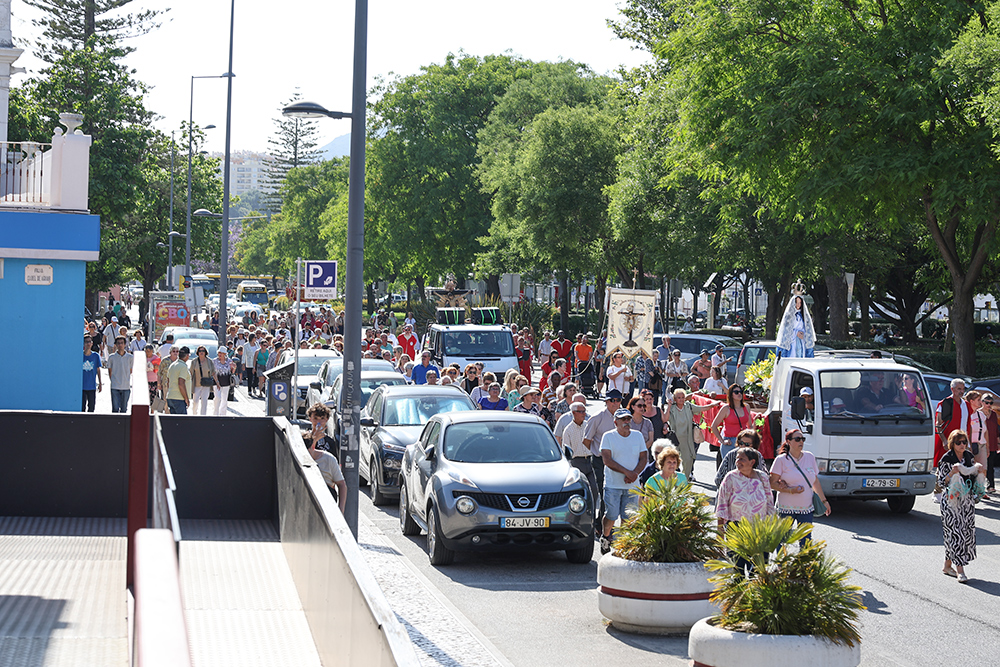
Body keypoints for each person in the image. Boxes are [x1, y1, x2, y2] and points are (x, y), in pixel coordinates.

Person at [599, 407, 648, 554]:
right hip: (613, 484)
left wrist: (635, 474)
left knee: (628, 518)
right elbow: (607, 460)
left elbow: (643, 457)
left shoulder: (637, 436)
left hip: (631, 485)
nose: (627, 422)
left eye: (628, 419)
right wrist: (628, 472)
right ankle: (606, 537)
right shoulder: (608, 436)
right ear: (615, 422)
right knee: (612, 515)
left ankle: (624, 545)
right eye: (623, 419)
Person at [770, 428, 830, 544]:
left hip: (806, 508)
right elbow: (772, 483)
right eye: (797, 439)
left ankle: (804, 562)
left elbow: (815, 481)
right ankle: (781, 562)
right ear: (788, 441)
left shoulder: (809, 457)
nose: (801, 442)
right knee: (782, 539)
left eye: (803, 439)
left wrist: (824, 501)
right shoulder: (781, 460)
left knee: (806, 540)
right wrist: (790, 490)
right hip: (786, 508)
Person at [938, 430, 983, 583]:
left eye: (964, 441)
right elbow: (940, 483)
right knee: (956, 533)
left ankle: (947, 565)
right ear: (953, 444)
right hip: (951, 502)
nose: (962, 445)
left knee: (964, 532)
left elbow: (974, 477)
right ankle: (960, 570)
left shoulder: (969, 457)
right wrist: (951, 473)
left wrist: (979, 471)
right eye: (959, 442)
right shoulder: (947, 459)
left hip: (967, 500)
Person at [716, 447, 775, 545]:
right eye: (737, 458)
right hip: (736, 527)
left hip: (759, 527)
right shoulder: (731, 477)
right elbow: (722, 503)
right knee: (738, 559)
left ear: (752, 462)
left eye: (742, 459)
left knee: (758, 559)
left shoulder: (762, 477)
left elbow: (769, 502)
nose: (738, 461)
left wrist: (772, 525)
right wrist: (720, 530)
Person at [666, 388, 722, 481]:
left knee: (688, 461)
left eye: (683, 397)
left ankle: (684, 481)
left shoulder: (688, 406)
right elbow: (665, 417)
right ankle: (672, 482)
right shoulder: (671, 408)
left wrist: (713, 405)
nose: (681, 399)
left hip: (687, 440)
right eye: (678, 397)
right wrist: (669, 405)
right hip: (674, 440)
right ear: (675, 399)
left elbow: (702, 409)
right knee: (672, 463)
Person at [304, 404, 347, 512]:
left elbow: (335, 465)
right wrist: (313, 438)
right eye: (315, 418)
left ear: (327, 419)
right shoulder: (304, 438)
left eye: (322, 418)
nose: (319, 422)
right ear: (310, 418)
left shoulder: (329, 441)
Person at [561, 401, 599, 509]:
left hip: (590, 460)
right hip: (577, 462)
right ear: (573, 413)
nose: (583, 414)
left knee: (595, 489)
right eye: (580, 411)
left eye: (584, 411)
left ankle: (593, 511)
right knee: (580, 490)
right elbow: (567, 449)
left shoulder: (588, 425)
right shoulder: (568, 430)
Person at [710, 384, 755, 465]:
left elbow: (749, 426)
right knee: (730, 469)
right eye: (736, 392)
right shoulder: (726, 409)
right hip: (730, 442)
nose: (739, 394)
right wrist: (722, 441)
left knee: (743, 468)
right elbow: (714, 426)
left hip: (743, 442)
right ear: (731, 394)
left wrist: (752, 440)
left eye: (741, 392)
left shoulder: (746, 407)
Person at [935, 378, 969, 474]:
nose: (962, 391)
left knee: (960, 468)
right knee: (944, 468)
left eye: (963, 389)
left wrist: (968, 442)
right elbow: (938, 424)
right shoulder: (945, 403)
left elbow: (968, 424)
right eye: (959, 389)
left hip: (962, 443)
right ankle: (940, 487)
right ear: (952, 389)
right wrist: (944, 440)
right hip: (949, 443)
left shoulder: (966, 405)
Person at [776, 294, 816, 358]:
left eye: (800, 303)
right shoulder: (789, 316)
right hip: (792, 341)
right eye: (796, 303)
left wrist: (804, 334)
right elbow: (786, 330)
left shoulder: (803, 316)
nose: (798, 305)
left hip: (802, 340)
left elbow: (807, 329)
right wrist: (796, 333)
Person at [106, 336, 134, 413]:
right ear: (116, 345)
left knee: (124, 409)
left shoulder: (130, 357)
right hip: (115, 386)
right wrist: (113, 380)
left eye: (122, 343)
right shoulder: (112, 357)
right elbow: (110, 371)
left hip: (126, 386)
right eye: (118, 343)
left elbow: (131, 370)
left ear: (125, 344)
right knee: (115, 409)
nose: (120, 345)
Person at [189, 345, 215, 416]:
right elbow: (191, 373)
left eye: (203, 351)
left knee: (204, 401)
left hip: (206, 384)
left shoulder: (209, 361)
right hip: (196, 384)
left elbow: (213, 372)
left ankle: (203, 416)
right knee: (195, 401)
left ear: (205, 352)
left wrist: (217, 382)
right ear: (197, 352)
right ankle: (194, 414)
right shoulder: (194, 361)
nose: (201, 352)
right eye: (200, 351)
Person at [167, 346, 192, 414]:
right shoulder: (183, 367)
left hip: (171, 396)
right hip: (179, 398)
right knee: (182, 423)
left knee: (173, 423)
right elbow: (181, 383)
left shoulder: (172, 365)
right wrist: (186, 398)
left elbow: (168, 382)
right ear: (187, 356)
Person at [82, 335, 103, 412]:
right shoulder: (80, 356)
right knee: (82, 408)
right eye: (86, 342)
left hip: (92, 386)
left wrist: (100, 383)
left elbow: (98, 369)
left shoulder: (95, 356)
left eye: (89, 342)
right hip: (82, 387)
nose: (88, 343)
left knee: (91, 408)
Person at [983, 394, 999, 493]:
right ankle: (978, 486)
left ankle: (991, 485)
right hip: (982, 442)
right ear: (982, 402)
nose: (989, 405)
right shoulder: (978, 413)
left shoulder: (993, 414)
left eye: (991, 403)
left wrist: (998, 441)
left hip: (992, 442)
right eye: (986, 402)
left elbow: (996, 429)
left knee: (991, 465)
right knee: (982, 465)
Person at [213, 348, 236, 415]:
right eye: (219, 353)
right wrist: (217, 382)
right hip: (217, 381)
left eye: (222, 353)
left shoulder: (229, 361)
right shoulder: (214, 361)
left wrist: (234, 367)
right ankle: (216, 413)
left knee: (224, 399)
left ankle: (222, 415)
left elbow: (232, 372)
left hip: (226, 382)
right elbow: (213, 372)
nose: (220, 354)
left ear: (225, 354)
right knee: (217, 397)